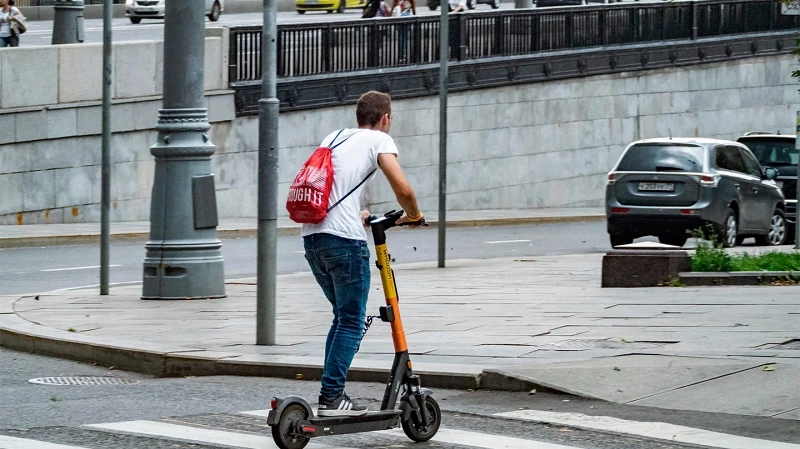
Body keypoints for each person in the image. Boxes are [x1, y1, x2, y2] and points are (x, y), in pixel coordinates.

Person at [303, 91, 423, 417]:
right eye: (390, 119)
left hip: (314, 239)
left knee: (343, 318)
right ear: (385, 118)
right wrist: (414, 215)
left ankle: (332, 393)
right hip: (343, 243)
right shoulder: (378, 141)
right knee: (352, 321)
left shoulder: (335, 136)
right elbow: (404, 190)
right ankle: (331, 397)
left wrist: (360, 214)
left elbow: (332, 185)